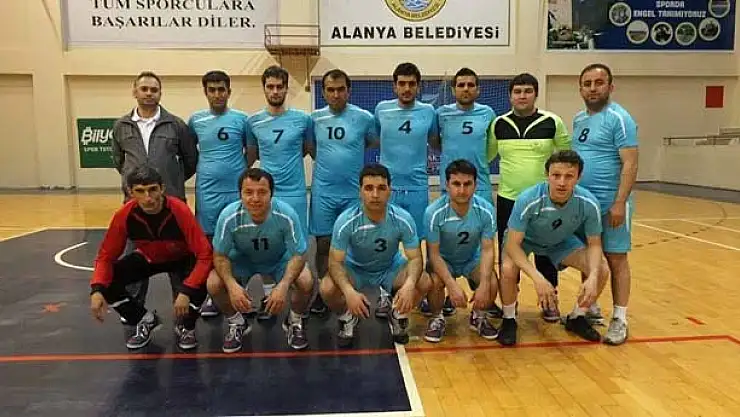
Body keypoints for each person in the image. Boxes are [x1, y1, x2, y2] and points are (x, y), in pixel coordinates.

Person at [89, 165, 212, 351]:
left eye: (152, 189)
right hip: (149, 258)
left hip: (182, 258)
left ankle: (187, 327)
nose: (148, 198)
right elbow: (105, 256)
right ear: (130, 192)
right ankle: (144, 319)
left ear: (162, 189)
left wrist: (186, 291)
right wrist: (97, 289)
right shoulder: (124, 215)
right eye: (140, 191)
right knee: (107, 281)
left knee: (201, 281)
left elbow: (204, 254)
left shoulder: (179, 210)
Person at [497, 150, 609, 346]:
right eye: (556, 175)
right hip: (525, 241)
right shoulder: (528, 199)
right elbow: (513, 245)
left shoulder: (588, 203)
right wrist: (538, 278)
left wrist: (592, 276)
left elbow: (594, 244)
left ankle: (577, 317)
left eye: (569, 176)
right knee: (507, 268)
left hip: (559, 241)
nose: (561, 182)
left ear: (579, 177)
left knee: (602, 269)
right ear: (547, 175)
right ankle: (509, 319)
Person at [111, 71, 198, 318]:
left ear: (160, 93)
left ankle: (183, 315)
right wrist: (137, 188)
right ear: (135, 92)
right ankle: (136, 314)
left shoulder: (176, 125)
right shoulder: (121, 126)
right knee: (134, 261)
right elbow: (119, 161)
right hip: (135, 208)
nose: (149, 93)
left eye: (154, 90)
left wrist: (171, 184)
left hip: (171, 206)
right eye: (144, 89)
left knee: (179, 262)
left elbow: (190, 160)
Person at [486, 73, 571, 322]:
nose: (522, 96)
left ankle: (550, 301)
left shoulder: (552, 122)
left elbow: (567, 158)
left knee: (546, 253)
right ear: (510, 95)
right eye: (517, 91)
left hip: (545, 200)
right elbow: (486, 157)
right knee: (509, 255)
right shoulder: (499, 124)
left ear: (536, 94)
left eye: (527, 91)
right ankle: (509, 304)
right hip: (508, 200)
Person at [319, 164, 430, 346]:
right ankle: (347, 317)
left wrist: (409, 285)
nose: (375, 194)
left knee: (423, 281)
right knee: (327, 287)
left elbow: (416, 258)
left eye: (381, 188)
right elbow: (335, 262)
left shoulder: (403, 219)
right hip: (356, 270)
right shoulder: (346, 221)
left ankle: (398, 315)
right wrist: (348, 292)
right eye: (369, 188)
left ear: (390, 191)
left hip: (390, 268)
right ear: (360, 191)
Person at [206, 168, 314, 352]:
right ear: (240, 194)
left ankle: (294, 320)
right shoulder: (228, 216)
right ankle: (237, 322)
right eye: (248, 192)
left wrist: (284, 285)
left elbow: (299, 254)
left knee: (306, 280)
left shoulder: (286, 214)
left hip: (278, 259)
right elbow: (220, 256)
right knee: (214, 283)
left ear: (271, 193)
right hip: (243, 260)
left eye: (262, 192)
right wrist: (232, 286)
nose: (255, 198)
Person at [572, 63, 638, 345]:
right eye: (587, 84)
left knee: (616, 258)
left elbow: (630, 163)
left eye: (598, 83)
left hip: (611, 202)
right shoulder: (579, 119)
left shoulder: (619, 118)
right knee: (589, 256)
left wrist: (619, 202)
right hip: (585, 204)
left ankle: (620, 318)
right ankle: (590, 306)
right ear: (580, 89)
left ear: (610, 87)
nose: (592, 89)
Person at [308, 69, 378, 316]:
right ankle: (323, 290)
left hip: (352, 194)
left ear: (349, 91)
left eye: (340, 89)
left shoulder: (364, 118)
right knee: (323, 244)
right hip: (323, 193)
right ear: (323, 92)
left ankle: (351, 288)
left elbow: (372, 141)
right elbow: (311, 147)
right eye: (330, 90)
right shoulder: (314, 119)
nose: (336, 94)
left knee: (355, 243)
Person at [427, 67, 496, 317]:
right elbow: (435, 142)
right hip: (452, 186)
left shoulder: (488, 113)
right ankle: (442, 292)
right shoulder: (441, 114)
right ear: (453, 89)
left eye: (470, 85)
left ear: (478, 89)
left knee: (480, 242)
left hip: (481, 186)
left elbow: (491, 146)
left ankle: (483, 295)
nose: (466, 89)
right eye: (461, 85)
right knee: (446, 239)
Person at [374, 62, 438, 316]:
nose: (407, 88)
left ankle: (422, 292)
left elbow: (435, 140)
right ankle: (384, 293)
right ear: (394, 86)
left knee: (419, 242)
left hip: (417, 188)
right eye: (402, 83)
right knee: (385, 241)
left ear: (418, 86)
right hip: (387, 189)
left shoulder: (429, 112)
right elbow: (376, 137)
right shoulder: (382, 109)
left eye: (412, 83)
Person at [188, 70, 250, 318]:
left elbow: (251, 150)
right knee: (210, 242)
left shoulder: (242, 120)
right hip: (207, 191)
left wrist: (238, 171)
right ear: (205, 92)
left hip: (235, 191)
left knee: (239, 240)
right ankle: (214, 295)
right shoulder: (196, 121)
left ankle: (240, 290)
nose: (217, 94)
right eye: (212, 90)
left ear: (228, 91)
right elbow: (189, 151)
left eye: (221, 89)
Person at [422, 159, 498, 343]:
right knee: (434, 281)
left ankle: (479, 316)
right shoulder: (433, 212)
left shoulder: (486, 210)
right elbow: (433, 255)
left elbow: (488, 250)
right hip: (444, 260)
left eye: (467, 184)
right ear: (447, 185)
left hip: (472, 259)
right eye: (456, 184)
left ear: (475, 185)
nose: (462, 190)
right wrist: (452, 285)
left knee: (492, 282)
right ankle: (437, 317)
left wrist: (484, 284)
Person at [246, 65, 313, 235]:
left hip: (295, 193)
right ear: (264, 88)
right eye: (270, 87)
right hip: (266, 192)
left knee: (298, 240)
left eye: (279, 86)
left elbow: (307, 149)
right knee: (270, 240)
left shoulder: (303, 119)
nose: (275, 91)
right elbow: (253, 155)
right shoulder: (252, 122)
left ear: (286, 88)